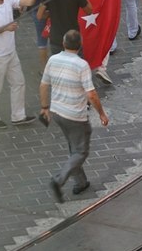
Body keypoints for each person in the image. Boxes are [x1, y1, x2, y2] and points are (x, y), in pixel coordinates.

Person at [40, 28, 109, 201]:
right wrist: (101, 113)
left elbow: (44, 85)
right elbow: (91, 94)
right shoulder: (81, 65)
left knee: (74, 147)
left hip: (57, 112)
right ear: (80, 46)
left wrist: (45, 107)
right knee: (81, 152)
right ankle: (59, 179)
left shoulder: (53, 59)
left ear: (63, 44)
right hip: (75, 116)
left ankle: (81, 182)